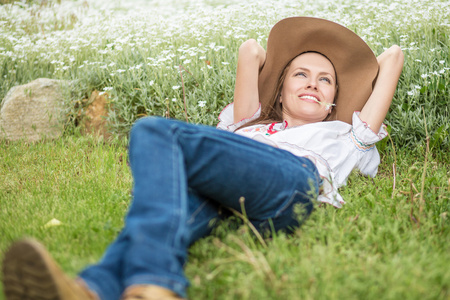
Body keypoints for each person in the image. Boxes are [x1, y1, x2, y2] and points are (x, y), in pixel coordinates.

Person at [1, 17, 403, 300]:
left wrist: (351, 77)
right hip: (232, 195)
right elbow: (251, 51)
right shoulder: (248, 127)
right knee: (171, 207)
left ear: (334, 102)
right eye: (300, 74)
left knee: (154, 130)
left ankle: (156, 280)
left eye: (325, 79)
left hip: (292, 184)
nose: (313, 83)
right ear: (278, 93)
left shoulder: (347, 134)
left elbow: (392, 57)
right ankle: (91, 289)